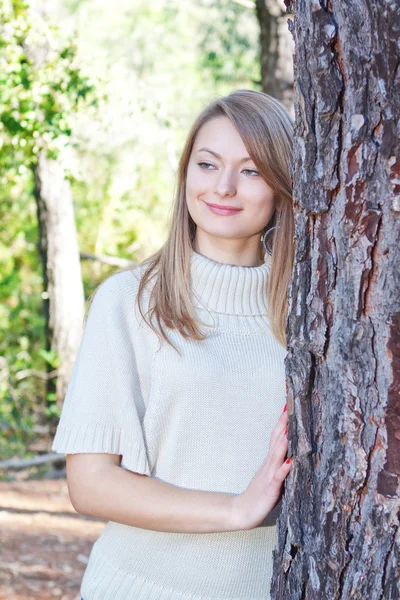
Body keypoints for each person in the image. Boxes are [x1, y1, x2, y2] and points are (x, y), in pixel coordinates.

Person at [52, 88, 294, 600]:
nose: (223, 187)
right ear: (186, 174)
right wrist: (236, 508)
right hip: (143, 586)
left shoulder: (315, 317)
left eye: (250, 171)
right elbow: (90, 483)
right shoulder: (129, 302)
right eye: (207, 164)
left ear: (282, 184)